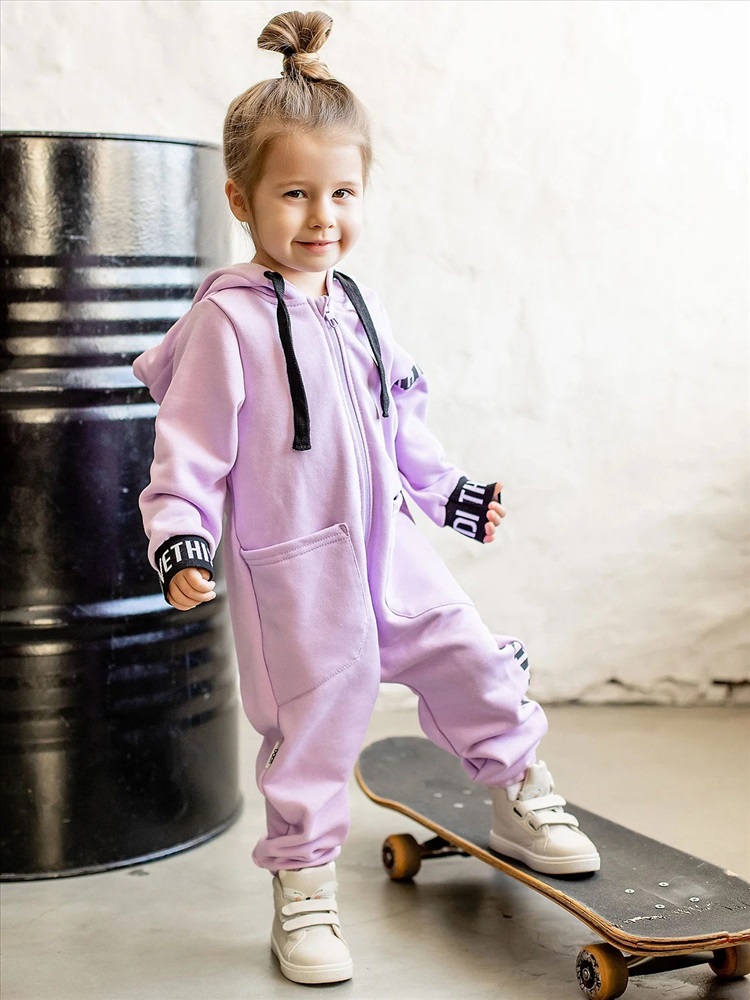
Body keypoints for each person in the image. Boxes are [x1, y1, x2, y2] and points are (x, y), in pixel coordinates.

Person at [134, 10, 599, 987]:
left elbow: (401, 419)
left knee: (469, 653)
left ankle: (517, 791)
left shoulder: (357, 304)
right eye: (295, 194)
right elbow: (189, 450)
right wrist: (180, 537)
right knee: (314, 725)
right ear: (241, 198)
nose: (322, 218)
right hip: (297, 569)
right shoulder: (226, 323)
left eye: (342, 193)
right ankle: (303, 888)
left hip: (392, 548)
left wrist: (451, 493)